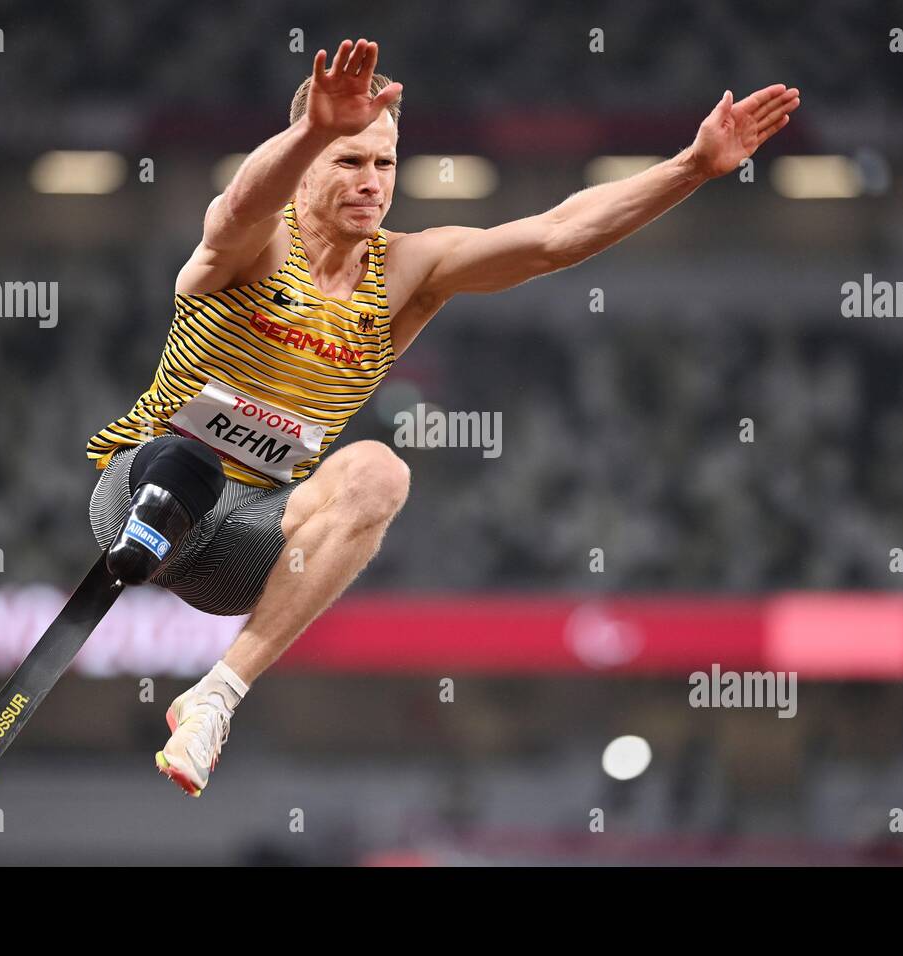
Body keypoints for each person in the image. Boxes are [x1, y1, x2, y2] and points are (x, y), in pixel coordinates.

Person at [85, 38, 800, 796]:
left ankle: (216, 698)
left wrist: (689, 167)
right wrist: (310, 133)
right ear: (307, 167)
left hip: (250, 545)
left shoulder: (407, 271)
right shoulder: (257, 244)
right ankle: (152, 529)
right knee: (187, 463)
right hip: (135, 487)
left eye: (384, 165)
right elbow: (239, 205)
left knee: (379, 471)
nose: (371, 183)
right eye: (348, 160)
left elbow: (554, 238)